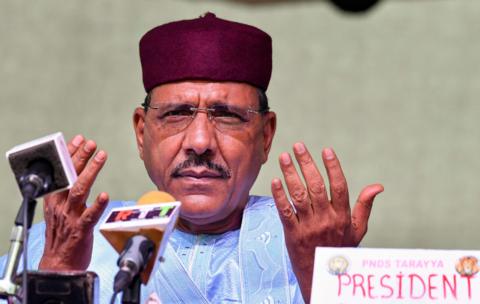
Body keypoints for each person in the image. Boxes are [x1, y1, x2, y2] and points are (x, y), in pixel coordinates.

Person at [0, 13, 383, 303]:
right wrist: (58, 271)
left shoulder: (316, 247)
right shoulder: (56, 243)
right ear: (141, 131)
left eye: (228, 116)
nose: (200, 142)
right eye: (176, 114)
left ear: (266, 136)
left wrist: (330, 281)